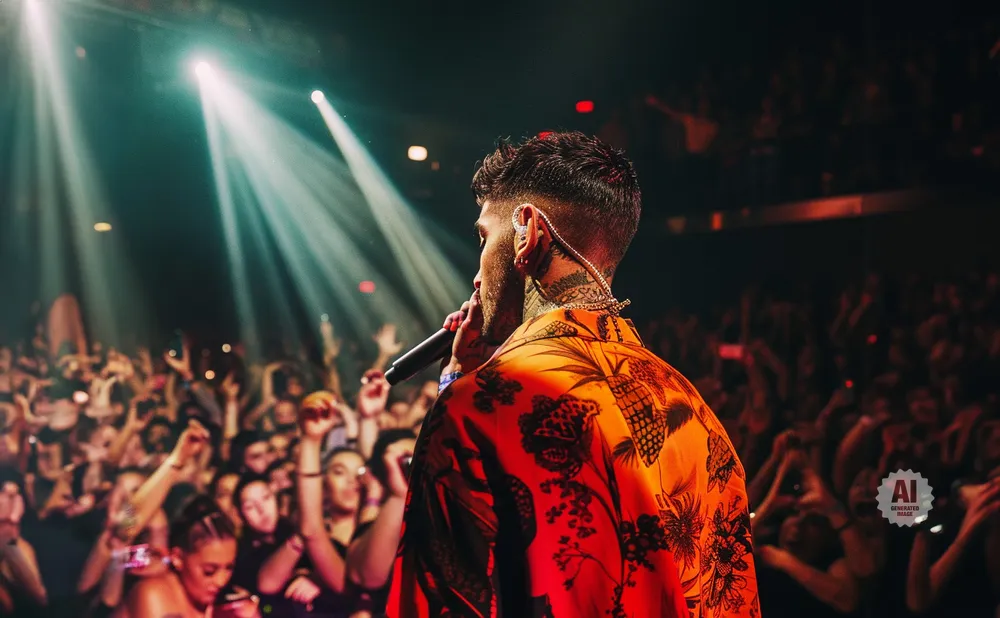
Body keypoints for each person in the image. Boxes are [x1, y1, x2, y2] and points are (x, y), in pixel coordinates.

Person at [387, 132, 758, 618]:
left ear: (528, 232)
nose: (476, 276)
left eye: (483, 237)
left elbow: (441, 598)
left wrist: (455, 387)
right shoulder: (695, 411)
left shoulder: (478, 407)